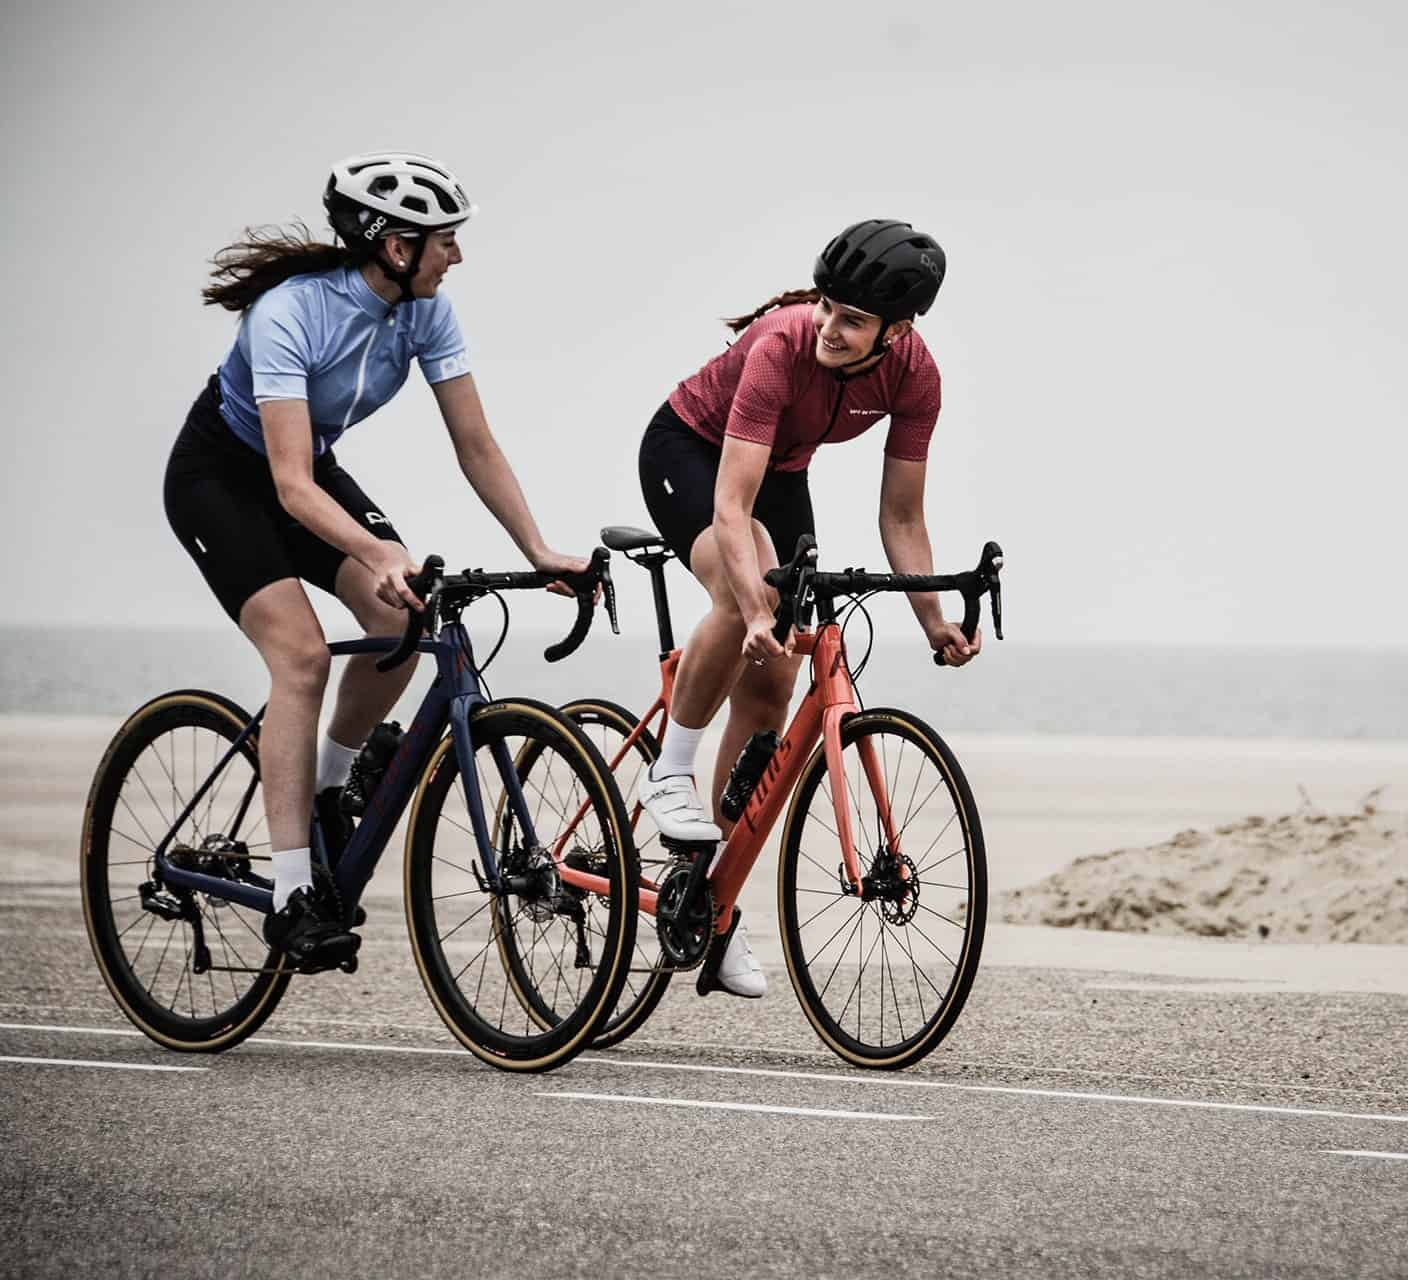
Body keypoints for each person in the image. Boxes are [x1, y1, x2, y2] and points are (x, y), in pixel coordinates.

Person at [164, 152, 590, 970]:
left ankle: (330, 786)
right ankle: (293, 894)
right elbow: (290, 486)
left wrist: (537, 550)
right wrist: (375, 547)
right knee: (302, 658)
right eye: (445, 241)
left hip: (306, 473)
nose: (457, 255)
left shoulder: (427, 312)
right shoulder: (289, 313)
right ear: (397, 247)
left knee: (403, 614)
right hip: (221, 480)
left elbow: (475, 443)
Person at [636, 218, 980, 998]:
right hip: (689, 451)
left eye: (851, 319)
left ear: (897, 332)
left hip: (782, 472)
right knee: (745, 592)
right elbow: (732, 508)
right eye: (826, 306)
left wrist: (934, 621)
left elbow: (903, 518)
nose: (828, 326)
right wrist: (755, 608)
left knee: (774, 685)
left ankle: (716, 909)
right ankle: (670, 769)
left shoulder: (916, 378)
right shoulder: (780, 345)